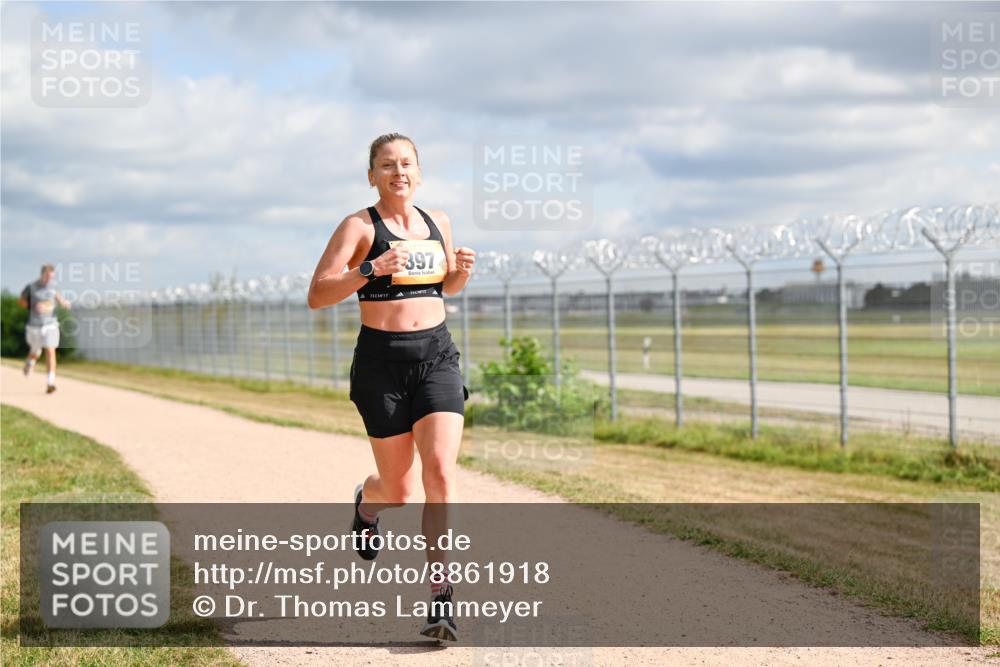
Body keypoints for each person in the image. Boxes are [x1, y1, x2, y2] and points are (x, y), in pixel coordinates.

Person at [307, 132, 476, 642]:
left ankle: (441, 596)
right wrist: (369, 268)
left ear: (419, 172)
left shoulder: (437, 222)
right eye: (387, 165)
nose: (398, 171)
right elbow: (317, 295)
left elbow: (443, 287)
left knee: (441, 472)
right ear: (372, 175)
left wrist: (461, 274)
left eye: (406, 163)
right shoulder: (359, 226)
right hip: (381, 366)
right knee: (399, 490)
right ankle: (368, 504)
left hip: (437, 358)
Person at [19, 263, 71, 394]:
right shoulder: (31, 287)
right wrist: (33, 306)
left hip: (50, 324)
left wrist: (64, 303)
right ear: (42, 274)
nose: (49, 279)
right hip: (34, 325)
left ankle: (50, 382)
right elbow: (21, 301)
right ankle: (30, 363)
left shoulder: (54, 286)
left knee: (50, 350)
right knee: (35, 351)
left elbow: (59, 299)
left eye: (51, 277)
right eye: (47, 276)